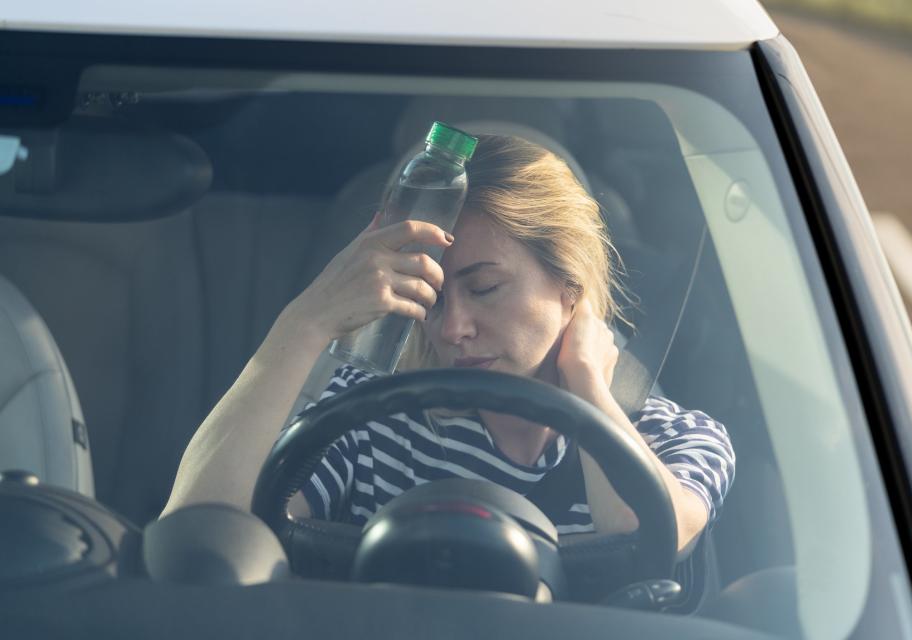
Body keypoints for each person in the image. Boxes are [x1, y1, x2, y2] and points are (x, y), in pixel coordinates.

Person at [164, 134, 734, 562]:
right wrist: (303, 324)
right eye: (431, 298)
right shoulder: (370, 418)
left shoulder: (675, 438)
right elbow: (201, 536)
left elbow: (646, 536)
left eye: (484, 288)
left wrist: (586, 383)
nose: (453, 326)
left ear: (570, 287)